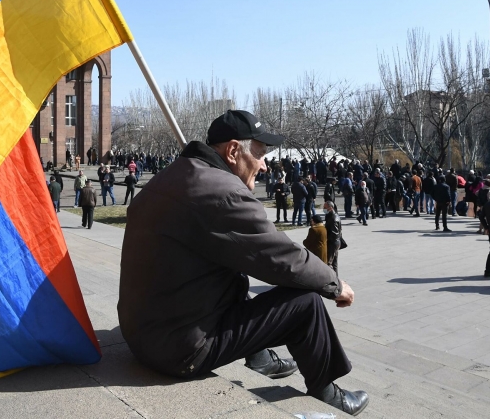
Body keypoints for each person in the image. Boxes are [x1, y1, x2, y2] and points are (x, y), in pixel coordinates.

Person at [117, 110, 368, 415]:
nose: (264, 165)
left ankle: (261, 359)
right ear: (234, 151)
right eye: (260, 154)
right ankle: (329, 393)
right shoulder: (223, 193)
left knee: (231, 274)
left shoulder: (170, 176)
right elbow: (281, 258)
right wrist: (334, 284)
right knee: (305, 303)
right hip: (180, 350)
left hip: (143, 334)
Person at [323, 201, 342, 275]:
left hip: (333, 243)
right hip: (336, 242)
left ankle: (331, 279)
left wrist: (326, 239)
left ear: (330, 207)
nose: (324, 209)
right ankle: (336, 279)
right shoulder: (332, 216)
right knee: (334, 263)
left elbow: (334, 233)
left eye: (325, 207)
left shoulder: (333, 218)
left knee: (329, 262)